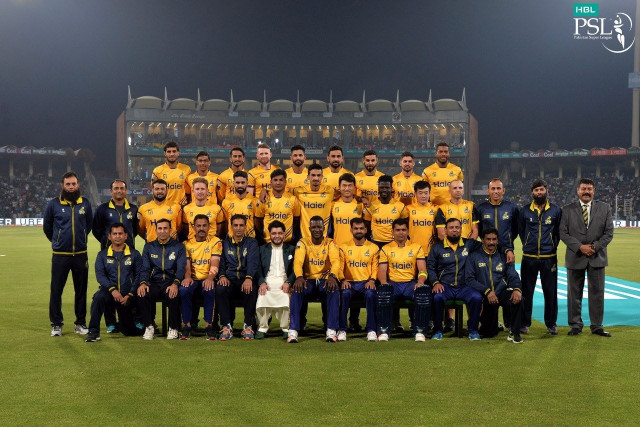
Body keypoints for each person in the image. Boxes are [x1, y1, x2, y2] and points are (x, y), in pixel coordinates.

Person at [559, 178, 614, 337]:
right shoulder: (567, 209)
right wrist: (580, 247)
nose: (586, 192)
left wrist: (594, 247)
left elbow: (609, 233)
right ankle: (575, 325)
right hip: (575, 256)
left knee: (597, 293)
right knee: (574, 294)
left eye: (589, 189)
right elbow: (563, 233)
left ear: (594, 191)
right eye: (583, 189)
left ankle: (597, 326)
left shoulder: (604, 208)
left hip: (597, 257)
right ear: (578, 191)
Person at [44, 171, 93, 336]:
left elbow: (89, 225)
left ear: (78, 185)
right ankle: (56, 324)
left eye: (73, 184)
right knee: (56, 290)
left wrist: (81, 238)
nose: (71, 187)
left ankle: (80, 323)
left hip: (80, 254)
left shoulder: (85, 203)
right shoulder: (53, 204)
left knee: (81, 291)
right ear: (62, 185)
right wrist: (58, 241)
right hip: (60, 255)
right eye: (68, 184)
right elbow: (47, 227)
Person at [518, 178, 562, 336]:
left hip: (549, 257)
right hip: (528, 257)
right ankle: (525, 324)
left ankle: (551, 324)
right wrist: (528, 243)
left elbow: (558, 232)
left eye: (541, 189)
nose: (539, 192)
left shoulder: (556, 210)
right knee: (526, 292)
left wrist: (551, 245)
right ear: (532, 192)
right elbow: (521, 231)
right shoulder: (524, 210)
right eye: (536, 190)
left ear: (546, 190)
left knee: (550, 292)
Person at [427, 218, 483, 341]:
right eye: (451, 227)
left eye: (457, 227)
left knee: (477, 298)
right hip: (445, 286)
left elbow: (487, 246)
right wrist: (435, 283)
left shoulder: (469, 244)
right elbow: (430, 267)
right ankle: (438, 330)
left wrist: (507, 251)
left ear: (461, 230)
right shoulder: (437, 248)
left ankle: (473, 330)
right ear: (445, 230)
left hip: (465, 286)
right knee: (437, 298)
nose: (454, 230)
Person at [86, 223, 143, 342]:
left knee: (129, 332)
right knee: (98, 298)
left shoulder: (135, 254)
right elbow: (100, 276)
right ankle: (93, 332)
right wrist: (113, 290)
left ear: (126, 236)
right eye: (115, 234)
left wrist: (130, 295)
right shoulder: (102, 255)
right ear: (109, 236)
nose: (118, 236)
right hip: (109, 293)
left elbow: (139, 276)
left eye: (120, 233)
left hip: (127, 296)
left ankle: (140, 324)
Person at [376, 218, 431, 342]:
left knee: (423, 293)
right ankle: (384, 331)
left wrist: (420, 282)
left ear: (408, 231)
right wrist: (384, 283)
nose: (400, 233)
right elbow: (382, 271)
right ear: (392, 232)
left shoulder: (416, 247)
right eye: (397, 230)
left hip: (410, 284)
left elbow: (422, 269)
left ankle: (420, 331)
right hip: (393, 284)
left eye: (403, 230)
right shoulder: (386, 248)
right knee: (383, 292)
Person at [466, 228, 524, 343]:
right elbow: (469, 279)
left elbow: (512, 274)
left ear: (497, 240)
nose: (491, 242)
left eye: (494, 239)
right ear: (483, 240)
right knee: (489, 333)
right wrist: (487, 291)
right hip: (485, 295)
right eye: (488, 239)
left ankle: (515, 332)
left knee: (518, 299)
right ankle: (493, 325)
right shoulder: (474, 256)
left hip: (501, 292)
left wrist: (517, 289)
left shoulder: (504, 255)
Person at [289, 216, 340, 343]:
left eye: (319, 227)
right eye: (314, 227)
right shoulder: (303, 242)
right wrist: (299, 277)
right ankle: (293, 330)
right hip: (308, 280)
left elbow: (335, 261)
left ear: (324, 228)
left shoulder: (331, 243)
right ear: (309, 228)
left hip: (325, 280)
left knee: (333, 289)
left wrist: (333, 276)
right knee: (296, 289)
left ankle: (331, 330)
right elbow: (298, 262)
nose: (317, 230)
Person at [137, 219, 186, 340]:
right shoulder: (149, 247)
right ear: (156, 230)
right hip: (155, 282)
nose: (162, 231)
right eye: (160, 228)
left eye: (165, 228)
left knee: (173, 295)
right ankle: (149, 327)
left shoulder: (179, 247)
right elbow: (145, 268)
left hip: (171, 281)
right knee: (143, 294)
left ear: (170, 230)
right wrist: (143, 283)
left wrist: (175, 284)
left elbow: (181, 268)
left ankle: (173, 328)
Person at [216, 214, 260, 341]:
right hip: (229, 279)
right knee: (220, 289)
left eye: (241, 225)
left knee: (251, 289)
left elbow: (253, 262)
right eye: (235, 225)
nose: (238, 228)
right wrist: (222, 276)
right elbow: (221, 263)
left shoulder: (252, 242)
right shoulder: (224, 244)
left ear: (246, 226)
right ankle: (226, 326)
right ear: (231, 226)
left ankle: (248, 326)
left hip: (245, 278)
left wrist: (249, 278)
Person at [180, 214, 222, 340]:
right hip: (193, 279)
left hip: (207, 277)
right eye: (198, 226)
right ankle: (187, 326)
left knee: (209, 289)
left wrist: (210, 278)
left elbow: (215, 263)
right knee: (183, 290)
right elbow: (187, 266)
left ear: (209, 227)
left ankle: (209, 326)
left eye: (204, 225)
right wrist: (187, 277)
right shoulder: (186, 244)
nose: (201, 228)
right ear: (193, 227)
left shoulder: (215, 242)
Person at [338, 218, 379, 342]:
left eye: (361, 228)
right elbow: (339, 267)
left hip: (366, 282)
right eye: (356, 228)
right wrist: (343, 280)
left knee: (371, 294)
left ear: (366, 230)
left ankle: (371, 330)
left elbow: (375, 267)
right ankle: (342, 329)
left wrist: (372, 280)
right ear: (351, 230)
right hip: (349, 283)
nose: (359, 231)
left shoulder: (373, 247)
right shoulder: (343, 247)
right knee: (344, 294)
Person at [255, 220, 296, 339]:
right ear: (269, 234)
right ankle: (262, 327)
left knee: (285, 298)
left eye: (280, 233)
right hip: (267, 281)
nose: (277, 236)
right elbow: (257, 268)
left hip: (284, 281)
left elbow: (296, 269)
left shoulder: (292, 249)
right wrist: (262, 282)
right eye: (274, 233)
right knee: (262, 297)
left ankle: (286, 328)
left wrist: (289, 282)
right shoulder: (262, 249)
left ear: (284, 234)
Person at [476, 179, 519, 264]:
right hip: (486, 250)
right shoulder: (481, 208)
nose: (496, 191)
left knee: (508, 272)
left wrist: (508, 244)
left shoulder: (512, 207)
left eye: (498, 188)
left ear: (503, 190)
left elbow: (516, 229)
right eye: (493, 189)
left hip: (507, 251)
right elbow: (479, 230)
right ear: (488, 191)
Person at [254, 169, 300, 245]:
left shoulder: (293, 199)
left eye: (281, 180)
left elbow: (296, 220)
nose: (278, 183)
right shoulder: (264, 199)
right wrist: (264, 234)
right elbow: (258, 220)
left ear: (285, 182)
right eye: (275, 180)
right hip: (268, 243)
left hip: (287, 243)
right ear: (271, 182)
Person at [92, 179, 138, 250]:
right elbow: (96, 230)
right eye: (116, 188)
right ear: (111, 191)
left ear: (125, 191)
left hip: (129, 251)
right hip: (108, 251)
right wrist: (106, 241)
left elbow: (136, 229)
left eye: (122, 188)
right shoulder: (102, 209)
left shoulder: (133, 209)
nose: (119, 191)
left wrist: (128, 239)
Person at [292, 163, 335, 242]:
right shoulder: (298, 191)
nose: (316, 178)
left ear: (322, 177)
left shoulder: (330, 191)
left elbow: (344, 194)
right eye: (313, 175)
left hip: (324, 237)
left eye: (318, 175)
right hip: (304, 236)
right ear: (308, 177)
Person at [363, 175, 408, 248]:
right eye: (381, 187)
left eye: (387, 188)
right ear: (378, 188)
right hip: (376, 243)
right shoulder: (370, 206)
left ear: (391, 188)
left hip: (394, 243)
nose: (384, 190)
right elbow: (366, 228)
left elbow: (405, 226)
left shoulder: (400, 206)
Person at [422, 142, 464, 206]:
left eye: (446, 152)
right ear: (436, 154)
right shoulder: (427, 171)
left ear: (449, 154)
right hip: (434, 207)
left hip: (452, 207)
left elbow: (460, 190)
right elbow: (423, 191)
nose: (443, 154)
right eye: (440, 152)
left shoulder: (457, 170)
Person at [151, 141, 191, 206]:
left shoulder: (186, 169)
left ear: (178, 153)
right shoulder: (157, 171)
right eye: (169, 152)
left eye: (174, 151)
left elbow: (190, 189)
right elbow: (154, 191)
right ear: (165, 153)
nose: (172, 154)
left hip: (181, 207)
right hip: (165, 207)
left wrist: (186, 199)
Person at [330, 173, 363, 247]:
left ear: (354, 187)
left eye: (350, 185)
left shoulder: (360, 204)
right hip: (337, 247)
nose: (347, 189)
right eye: (344, 185)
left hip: (355, 248)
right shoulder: (333, 204)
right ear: (339, 187)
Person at [220, 171, 257, 238]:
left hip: (250, 239)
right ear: (233, 183)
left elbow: (257, 222)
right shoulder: (226, 202)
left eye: (243, 182)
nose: (240, 185)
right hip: (231, 239)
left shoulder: (254, 201)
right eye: (237, 182)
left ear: (247, 183)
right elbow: (226, 223)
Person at [408, 181, 438, 257]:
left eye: (426, 193)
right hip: (413, 251)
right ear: (415, 194)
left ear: (429, 193)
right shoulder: (408, 209)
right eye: (420, 193)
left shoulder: (436, 209)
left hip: (431, 252)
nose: (423, 196)